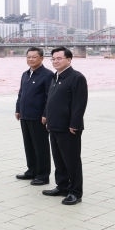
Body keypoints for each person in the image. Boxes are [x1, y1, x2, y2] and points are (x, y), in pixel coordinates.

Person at [42, 47, 88, 206]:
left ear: (69, 59)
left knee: (72, 161)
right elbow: (51, 100)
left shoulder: (77, 78)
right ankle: (62, 186)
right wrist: (46, 116)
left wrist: (74, 124)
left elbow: (79, 103)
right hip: (54, 125)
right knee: (59, 159)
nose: (55, 61)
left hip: (69, 128)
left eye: (59, 58)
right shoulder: (56, 77)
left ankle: (75, 192)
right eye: (53, 59)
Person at [14, 47, 54, 186]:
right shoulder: (25, 74)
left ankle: (43, 175)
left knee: (41, 147)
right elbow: (21, 94)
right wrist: (18, 109)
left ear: (41, 58)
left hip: (38, 118)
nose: (30, 59)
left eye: (34, 57)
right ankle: (32, 170)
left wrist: (46, 114)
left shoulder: (47, 75)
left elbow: (50, 97)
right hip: (25, 116)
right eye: (28, 57)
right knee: (29, 145)